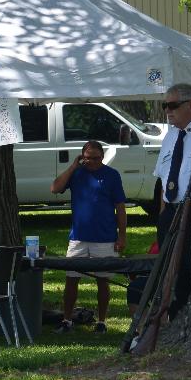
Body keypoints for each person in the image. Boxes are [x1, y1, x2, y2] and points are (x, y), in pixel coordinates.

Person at [50, 140, 127, 334]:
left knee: (103, 280)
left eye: (96, 158)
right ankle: (67, 320)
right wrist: (73, 167)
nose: (91, 162)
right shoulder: (76, 173)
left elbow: (120, 207)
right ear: (82, 157)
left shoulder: (112, 175)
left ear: (102, 157)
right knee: (71, 279)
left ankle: (101, 321)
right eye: (87, 158)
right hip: (78, 237)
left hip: (105, 237)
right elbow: (55, 188)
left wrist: (122, 236)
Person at [153, 82, 191, 317]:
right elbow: (163, 178)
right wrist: (164, 212)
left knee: (187, 268)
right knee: (165, 268)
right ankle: (165, 316)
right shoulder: (171, 135)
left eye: (172, 105)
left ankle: (182, 314)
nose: (167, 111)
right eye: (165, 106)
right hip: (170, 211)